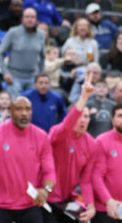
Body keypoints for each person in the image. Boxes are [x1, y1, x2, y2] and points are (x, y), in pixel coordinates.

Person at [0, 96, 56, 223]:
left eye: (27, 109)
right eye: (19, 109)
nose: (24, 113)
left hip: (29, 203)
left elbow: (50, 171)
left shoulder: (41, 136)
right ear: (10, 111)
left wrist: (46, 190)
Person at [46, 77, 98, 223]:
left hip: (67, 200)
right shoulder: (58, 133)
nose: (83, 120)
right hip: (46, 197)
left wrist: (91, 207)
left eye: (86, 117)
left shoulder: (92, 144)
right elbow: (67, 125)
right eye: (80, 116)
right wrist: (83, 98)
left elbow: (86, 180)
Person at [0, 7, 47, 97]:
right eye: (27, 17)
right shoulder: (13, 32)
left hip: (33, 77)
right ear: (22, 19)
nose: (30, 19)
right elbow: (0, 53)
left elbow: (42, 56)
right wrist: (5, 72)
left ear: (36, 20)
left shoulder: (41, 34)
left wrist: (40, 75)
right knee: (16, 105)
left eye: (32, 17)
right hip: (14, 76)